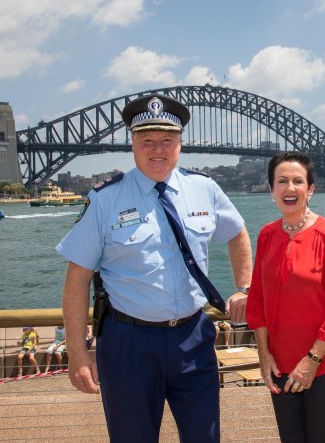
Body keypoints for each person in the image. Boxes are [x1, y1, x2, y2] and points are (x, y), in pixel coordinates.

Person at [57, 93, 253, 442]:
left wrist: (244, 287)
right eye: (147, 140)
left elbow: (237, 232)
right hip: (128, 343)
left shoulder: (204, 188)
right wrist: (77, 352)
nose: (157, 150)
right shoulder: (105, 199)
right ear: (132, 143)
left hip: (193, 337)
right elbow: (77, 278)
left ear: (180, 143)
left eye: (167, 140)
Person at [247, 151, 325, 443]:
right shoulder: (267, 236)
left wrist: (311, 361)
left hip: (324, 364)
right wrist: (264, 353)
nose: (289, 188)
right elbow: (256, 299)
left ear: (310, 190)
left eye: (298, 181)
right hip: (279, 363)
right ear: (271, 190)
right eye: (281, 181)